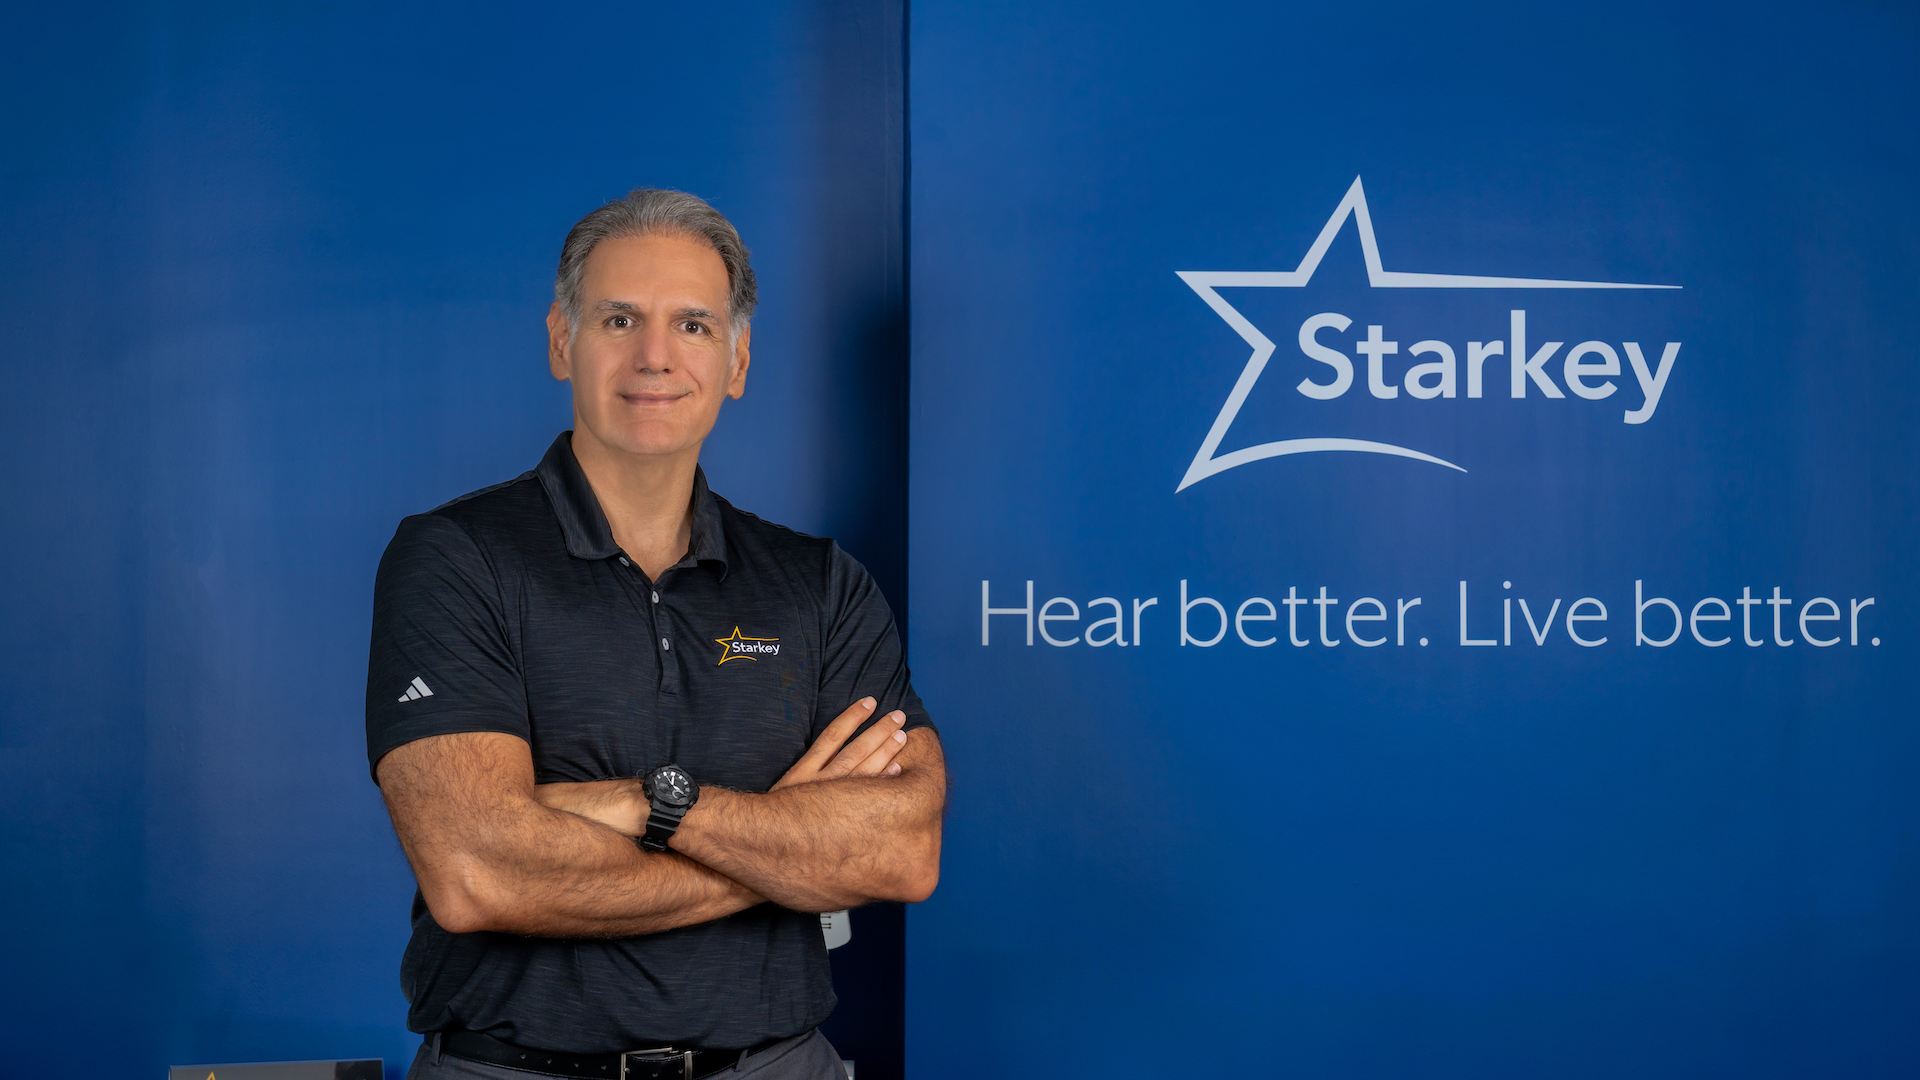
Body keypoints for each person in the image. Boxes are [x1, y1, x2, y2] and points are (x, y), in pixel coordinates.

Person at [363, 188, 946, 1080]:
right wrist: (786, 849)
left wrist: (654, 803)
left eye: (695, 326)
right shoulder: (454, 560)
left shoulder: (817, 582)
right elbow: (479, 873)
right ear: (562, 341)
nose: (655, 356)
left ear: (739, 360)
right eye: (620, 318)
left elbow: (901, 849)